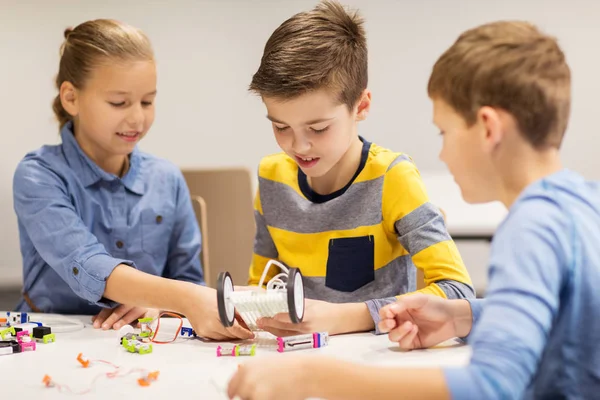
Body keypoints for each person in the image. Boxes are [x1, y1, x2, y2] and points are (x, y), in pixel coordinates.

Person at [228, 20, 600, 400]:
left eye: (444, 132)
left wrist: (318, 378)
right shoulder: (585, 206)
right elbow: (565, 320)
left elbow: (493, 386)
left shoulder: (530, 228)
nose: (441, 153)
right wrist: (462, 316)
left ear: (488, 129)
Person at [13, 19, 252, 341]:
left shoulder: (166, 178)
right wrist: (183, 298)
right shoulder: (38, 175)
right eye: (118, 103)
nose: (137, 118)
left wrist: (159, 308)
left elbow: (187, 279)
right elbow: (86, 262)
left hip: (141, 340)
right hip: (51, 337)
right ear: (71, 98)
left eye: (147, 101)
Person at [245, 0, 473, 338]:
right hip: (297, 361)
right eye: (281, 127)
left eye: (318, 128)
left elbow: (458, 293)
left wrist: (346, 318)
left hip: (375, 361)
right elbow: (263, 285)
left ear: (361, 106)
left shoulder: (391, 178)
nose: (298, 146)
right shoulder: (272, 177)